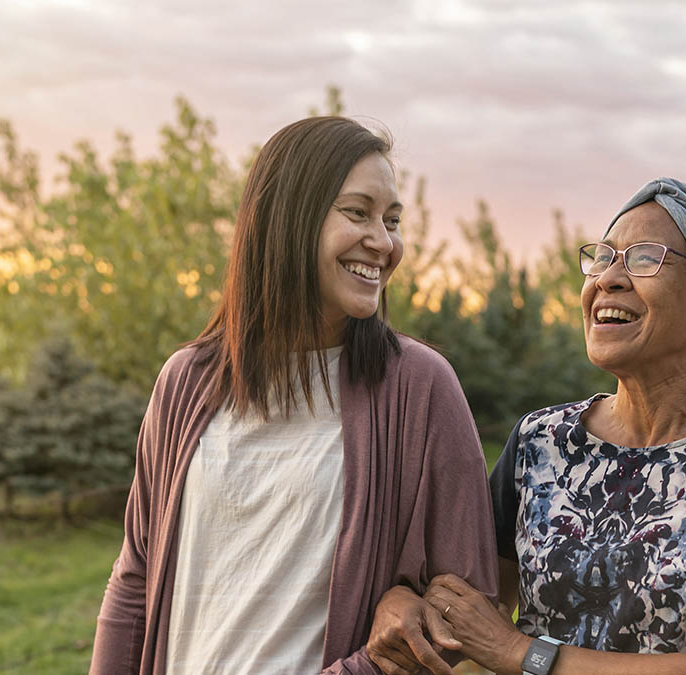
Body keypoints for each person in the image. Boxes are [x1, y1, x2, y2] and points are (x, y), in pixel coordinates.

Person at [89, 116, 498, 675]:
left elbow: (468, 617)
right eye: (358, 212)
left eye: (393, 220)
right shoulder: (186, 382)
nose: (383, 242)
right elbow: (135, 580)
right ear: (287, 218)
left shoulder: (420, 388)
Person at [368, 178, 686, 675]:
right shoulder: (539, 442)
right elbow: (463, 605)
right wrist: (400, 600)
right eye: (603, 257)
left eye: (645, 257)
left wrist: (521, 654)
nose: (608, 278)